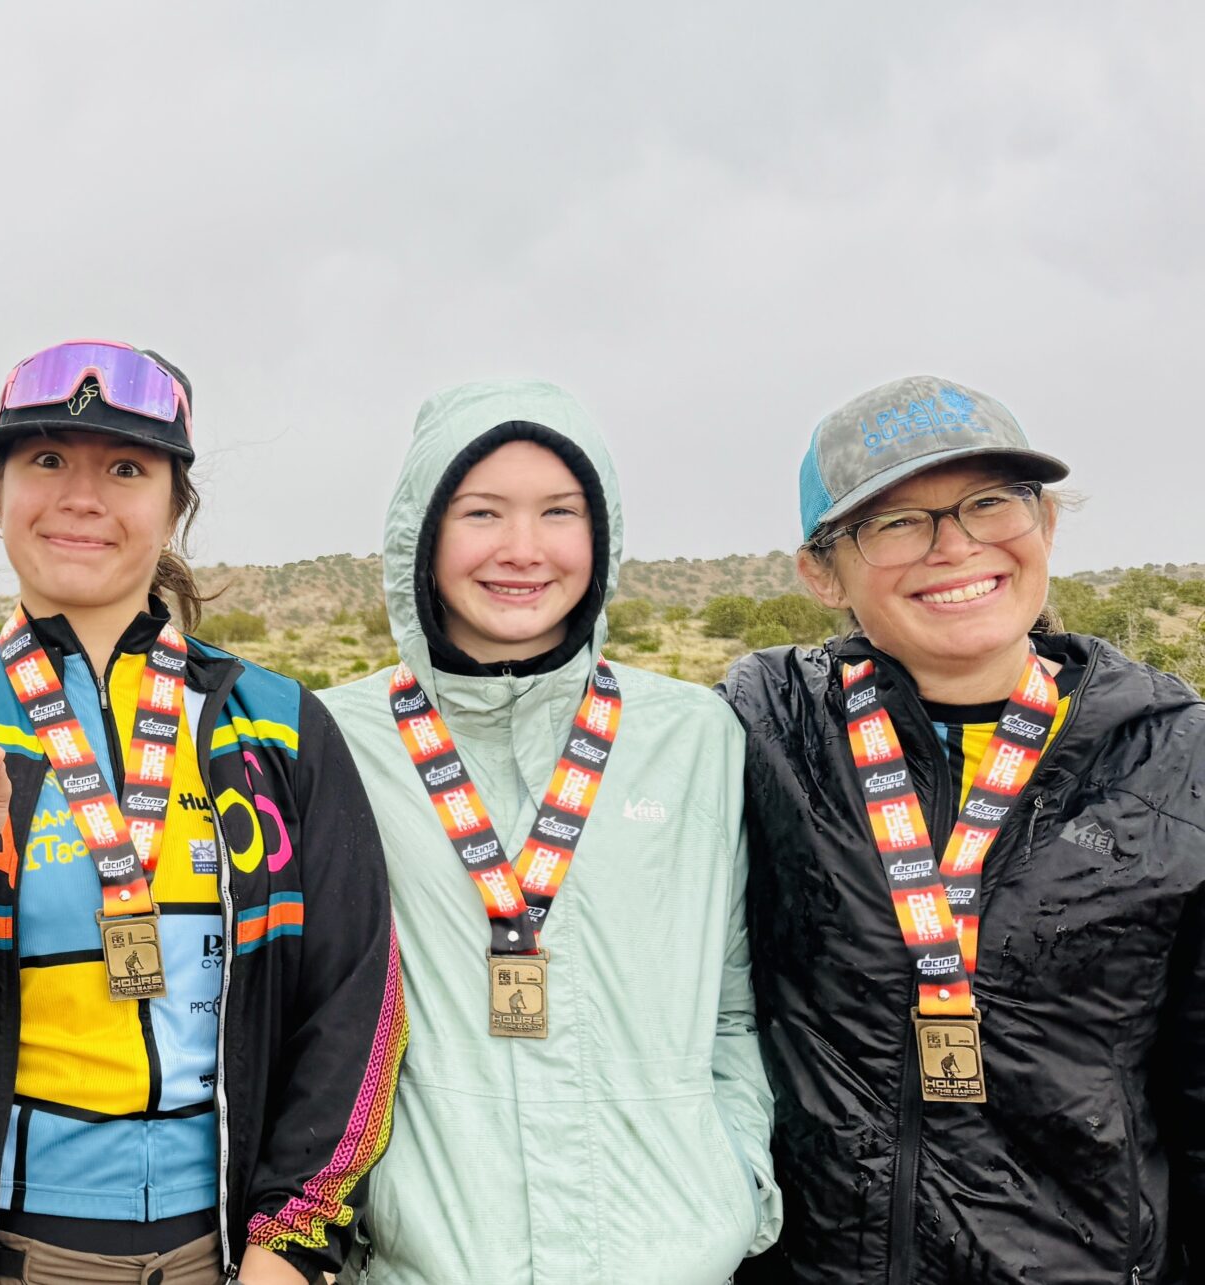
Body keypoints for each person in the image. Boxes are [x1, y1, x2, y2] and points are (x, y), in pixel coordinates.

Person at [0, 340, 406, 1285]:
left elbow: (357, 997)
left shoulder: (278, 725)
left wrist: (293, 1239)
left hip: (228, 1261)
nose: (82, 497)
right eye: (47, 460)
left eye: (126, 468)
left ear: (175, 505)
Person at [721, 377, 1205, 1284]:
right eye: (897, 521)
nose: (955, 545)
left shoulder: (1176, 762)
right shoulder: (761, 727)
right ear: (822, 572)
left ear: (1045, 522)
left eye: (990, 502)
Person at [317, 380, 781, 1282]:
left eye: (559, 511)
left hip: (671, 1259)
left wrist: (735, 1182)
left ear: (601, 533)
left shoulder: (695, 736)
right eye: (482, 511)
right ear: (422, 534)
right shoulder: (336, 739)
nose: (523, 549)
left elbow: (733, 1002)